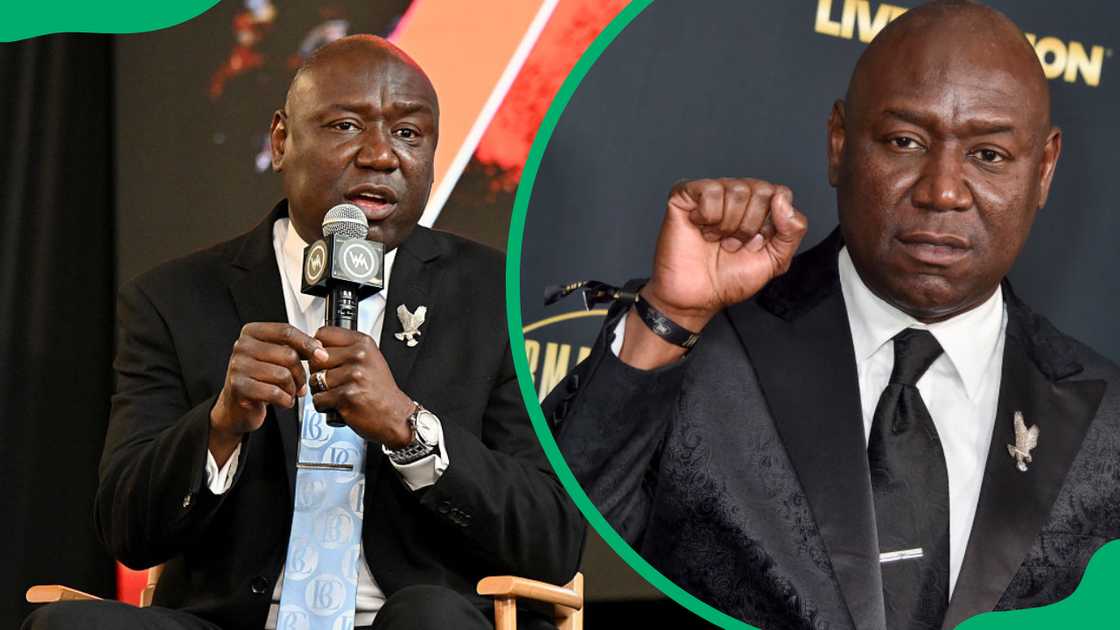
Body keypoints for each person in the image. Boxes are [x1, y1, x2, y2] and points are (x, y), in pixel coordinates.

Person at [549, 2, 1120, 629]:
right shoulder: (700, 346)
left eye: (988, 154)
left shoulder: (1108, 421)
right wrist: (669, 317)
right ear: (839, 143)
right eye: (905, 142)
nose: (943, 191)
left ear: (1043, 169)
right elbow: (546, 537)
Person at [25, 35, 583, 630]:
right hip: (236, 622)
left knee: (430, 618)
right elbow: (127, 531)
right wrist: (220, 427)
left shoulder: (498, 297)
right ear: (281, 140)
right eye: (346, 126)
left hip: (412, 621)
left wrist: (410, 428)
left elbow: (552, 540)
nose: (381, 156)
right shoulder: (172, 300)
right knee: (64, 626)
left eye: (408, 133)